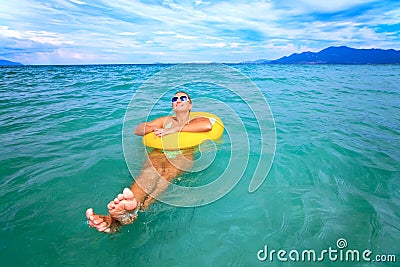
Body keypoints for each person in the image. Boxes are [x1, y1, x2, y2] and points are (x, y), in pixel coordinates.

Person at [86, 91, 213, 233]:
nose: (178, 100)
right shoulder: (165, 120)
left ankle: (139, 209)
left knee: (168, 174)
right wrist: (155, 128)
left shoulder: (195, 120)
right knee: (149, 172)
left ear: (190, 105)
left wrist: (175, 129)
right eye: (174, 98)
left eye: (183, 98)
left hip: (184, 152)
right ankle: (122, 215)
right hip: (160, 151)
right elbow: (138, 129)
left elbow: (207, 125)